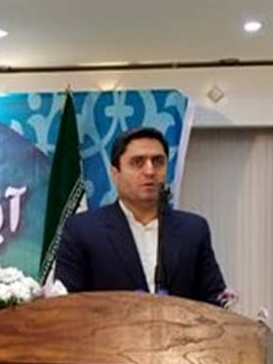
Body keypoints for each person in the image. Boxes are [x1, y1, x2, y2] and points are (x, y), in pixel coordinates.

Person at [54, 127, 227, 305]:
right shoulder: (83, 230)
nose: (150, 171)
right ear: (115, 173)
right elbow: (67, 305)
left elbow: (215, 300)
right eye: (138, 162)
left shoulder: (193, 230)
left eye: (158, 162)